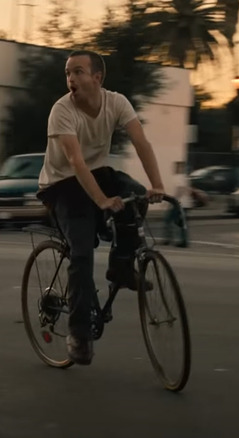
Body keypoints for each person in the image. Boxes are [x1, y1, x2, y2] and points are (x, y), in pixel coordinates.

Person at [36, 50, 166, 366]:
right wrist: (102, 202)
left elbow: (142, 143)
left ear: (97, 78)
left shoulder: (116, 103)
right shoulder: (62, 110)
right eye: (68, 73)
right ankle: (78, 335)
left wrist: (158, 184)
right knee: (81, 253)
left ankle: (120, 267)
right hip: (62, 186)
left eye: (78, 72)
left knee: (135, 195)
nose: (71, 79)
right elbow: (74, 161)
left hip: (97, 174)